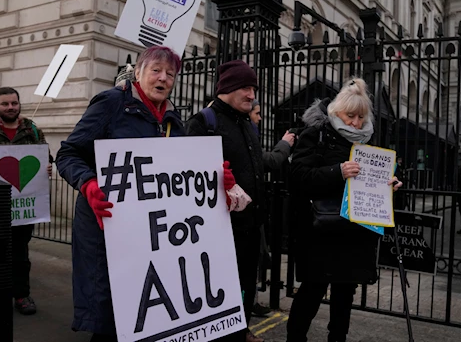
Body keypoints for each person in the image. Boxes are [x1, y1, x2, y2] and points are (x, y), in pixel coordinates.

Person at [56, 46, 238, 342]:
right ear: (138, 72)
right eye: (156, 70)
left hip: (151, 238)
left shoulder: (173, 118)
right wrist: (88, 184)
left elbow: (178, 177)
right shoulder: (111, 103)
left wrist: (214, 179)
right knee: (111, 319)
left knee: (144, 317)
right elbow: (68, 154)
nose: (163, 78)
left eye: (170, 73)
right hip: (106, 228)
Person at [286, 78, 402, 342]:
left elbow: (380, 176)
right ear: (337, 112)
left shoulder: (369, 141)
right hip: (321, 230)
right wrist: (336, 172)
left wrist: (392, 184)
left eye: (361, 117)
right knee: (312, 290)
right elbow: (298, 177)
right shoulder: (316, 134)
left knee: (345, 293)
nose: (356, 123)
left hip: (354, 230)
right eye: (350, 116)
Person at [187, 60, 265, 342]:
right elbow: (186, 178)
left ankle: (241, 329)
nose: (252, 95)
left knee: (245, 284)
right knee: (218, 287)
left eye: (253, 88)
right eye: (246, 87)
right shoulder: (203, 122)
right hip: (218, 230)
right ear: (228, 87)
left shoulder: (247, 124)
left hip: (250, 226)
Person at [0, 87, 53, 315]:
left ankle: (21, 295)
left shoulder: (32, 129)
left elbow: (45, 156)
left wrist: (47, 166)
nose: (11, 107)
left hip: (24, 206)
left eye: (14, 103)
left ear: (19, 104)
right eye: (5, 104)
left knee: (20, 253)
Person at [249, 99, 294, 319]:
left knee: (257, 258)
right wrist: (285, 143)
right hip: (245, 212)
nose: (259, 118)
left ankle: (253, 301)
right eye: (256, 113)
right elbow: (271, 161)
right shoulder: (242, 137)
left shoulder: (250, 136)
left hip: (255, 208)